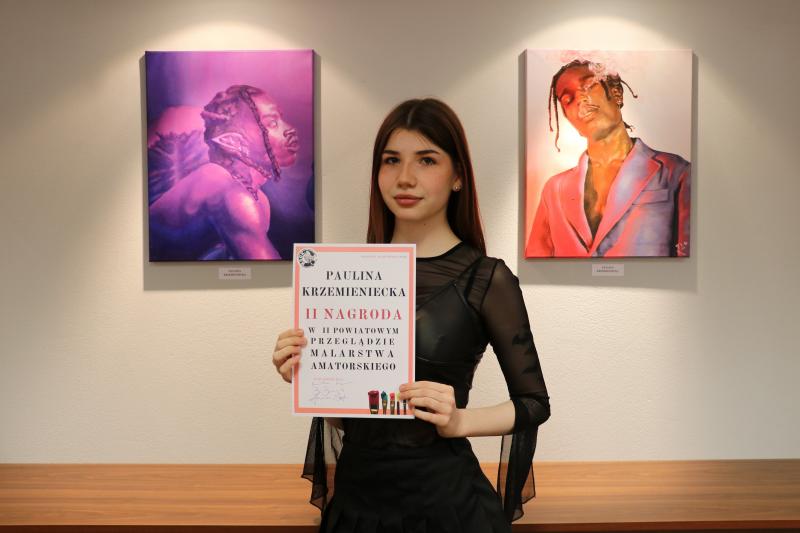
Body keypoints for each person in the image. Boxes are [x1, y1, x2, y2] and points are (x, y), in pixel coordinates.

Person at [272, 99, 550, 532]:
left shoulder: (486, 278)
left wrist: (460, 421)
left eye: (426, 160)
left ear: (458, 176)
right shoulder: (345, 276)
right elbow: (351, 419)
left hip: (448, 509)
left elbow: (534, 404)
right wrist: (309, 377)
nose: (405, 177)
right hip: (356, 506)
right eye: (391, 161)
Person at [525, 59, 691, 258]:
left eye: (588, 86)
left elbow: (687, 259)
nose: (579, 100)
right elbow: (536, 261)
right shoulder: (554, 189)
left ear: (617, 93)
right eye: (568, 100)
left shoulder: (676, 172)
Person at [148, 84, 299, 260]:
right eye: (272, 123)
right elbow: (267, 271)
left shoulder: (259, 200)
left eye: (280, 119)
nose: (290, 130)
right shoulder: (227, 191)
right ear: (234, 142)